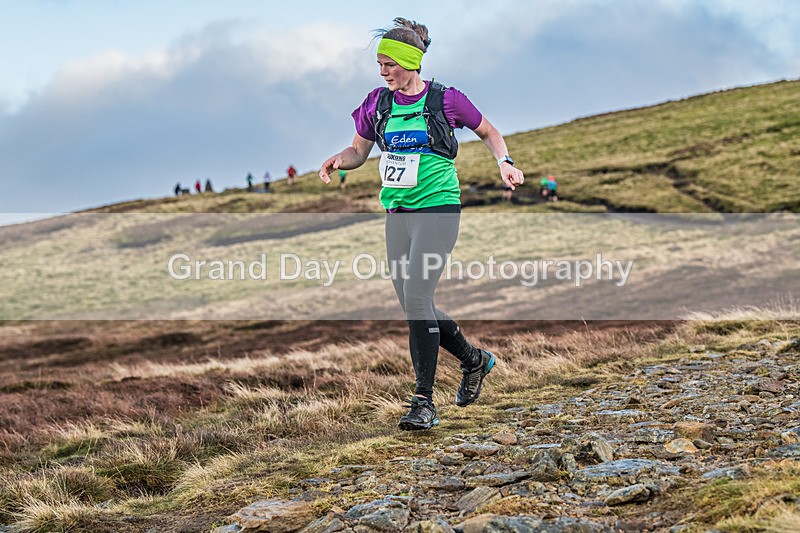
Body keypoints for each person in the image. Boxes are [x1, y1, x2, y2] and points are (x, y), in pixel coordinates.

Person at [319, 17, 524, 431]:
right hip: (397, 215)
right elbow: (360, 151)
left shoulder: (446, 100)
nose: (382, 72)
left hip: (438, 210)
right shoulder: (377, 103)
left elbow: (489, 131)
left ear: (409, 62)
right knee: (417, 306)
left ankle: (423, 402)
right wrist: (341, 159)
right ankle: (475, 360)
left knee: (416, 302)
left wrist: (505, 163)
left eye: (388, 64)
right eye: (378, 65)